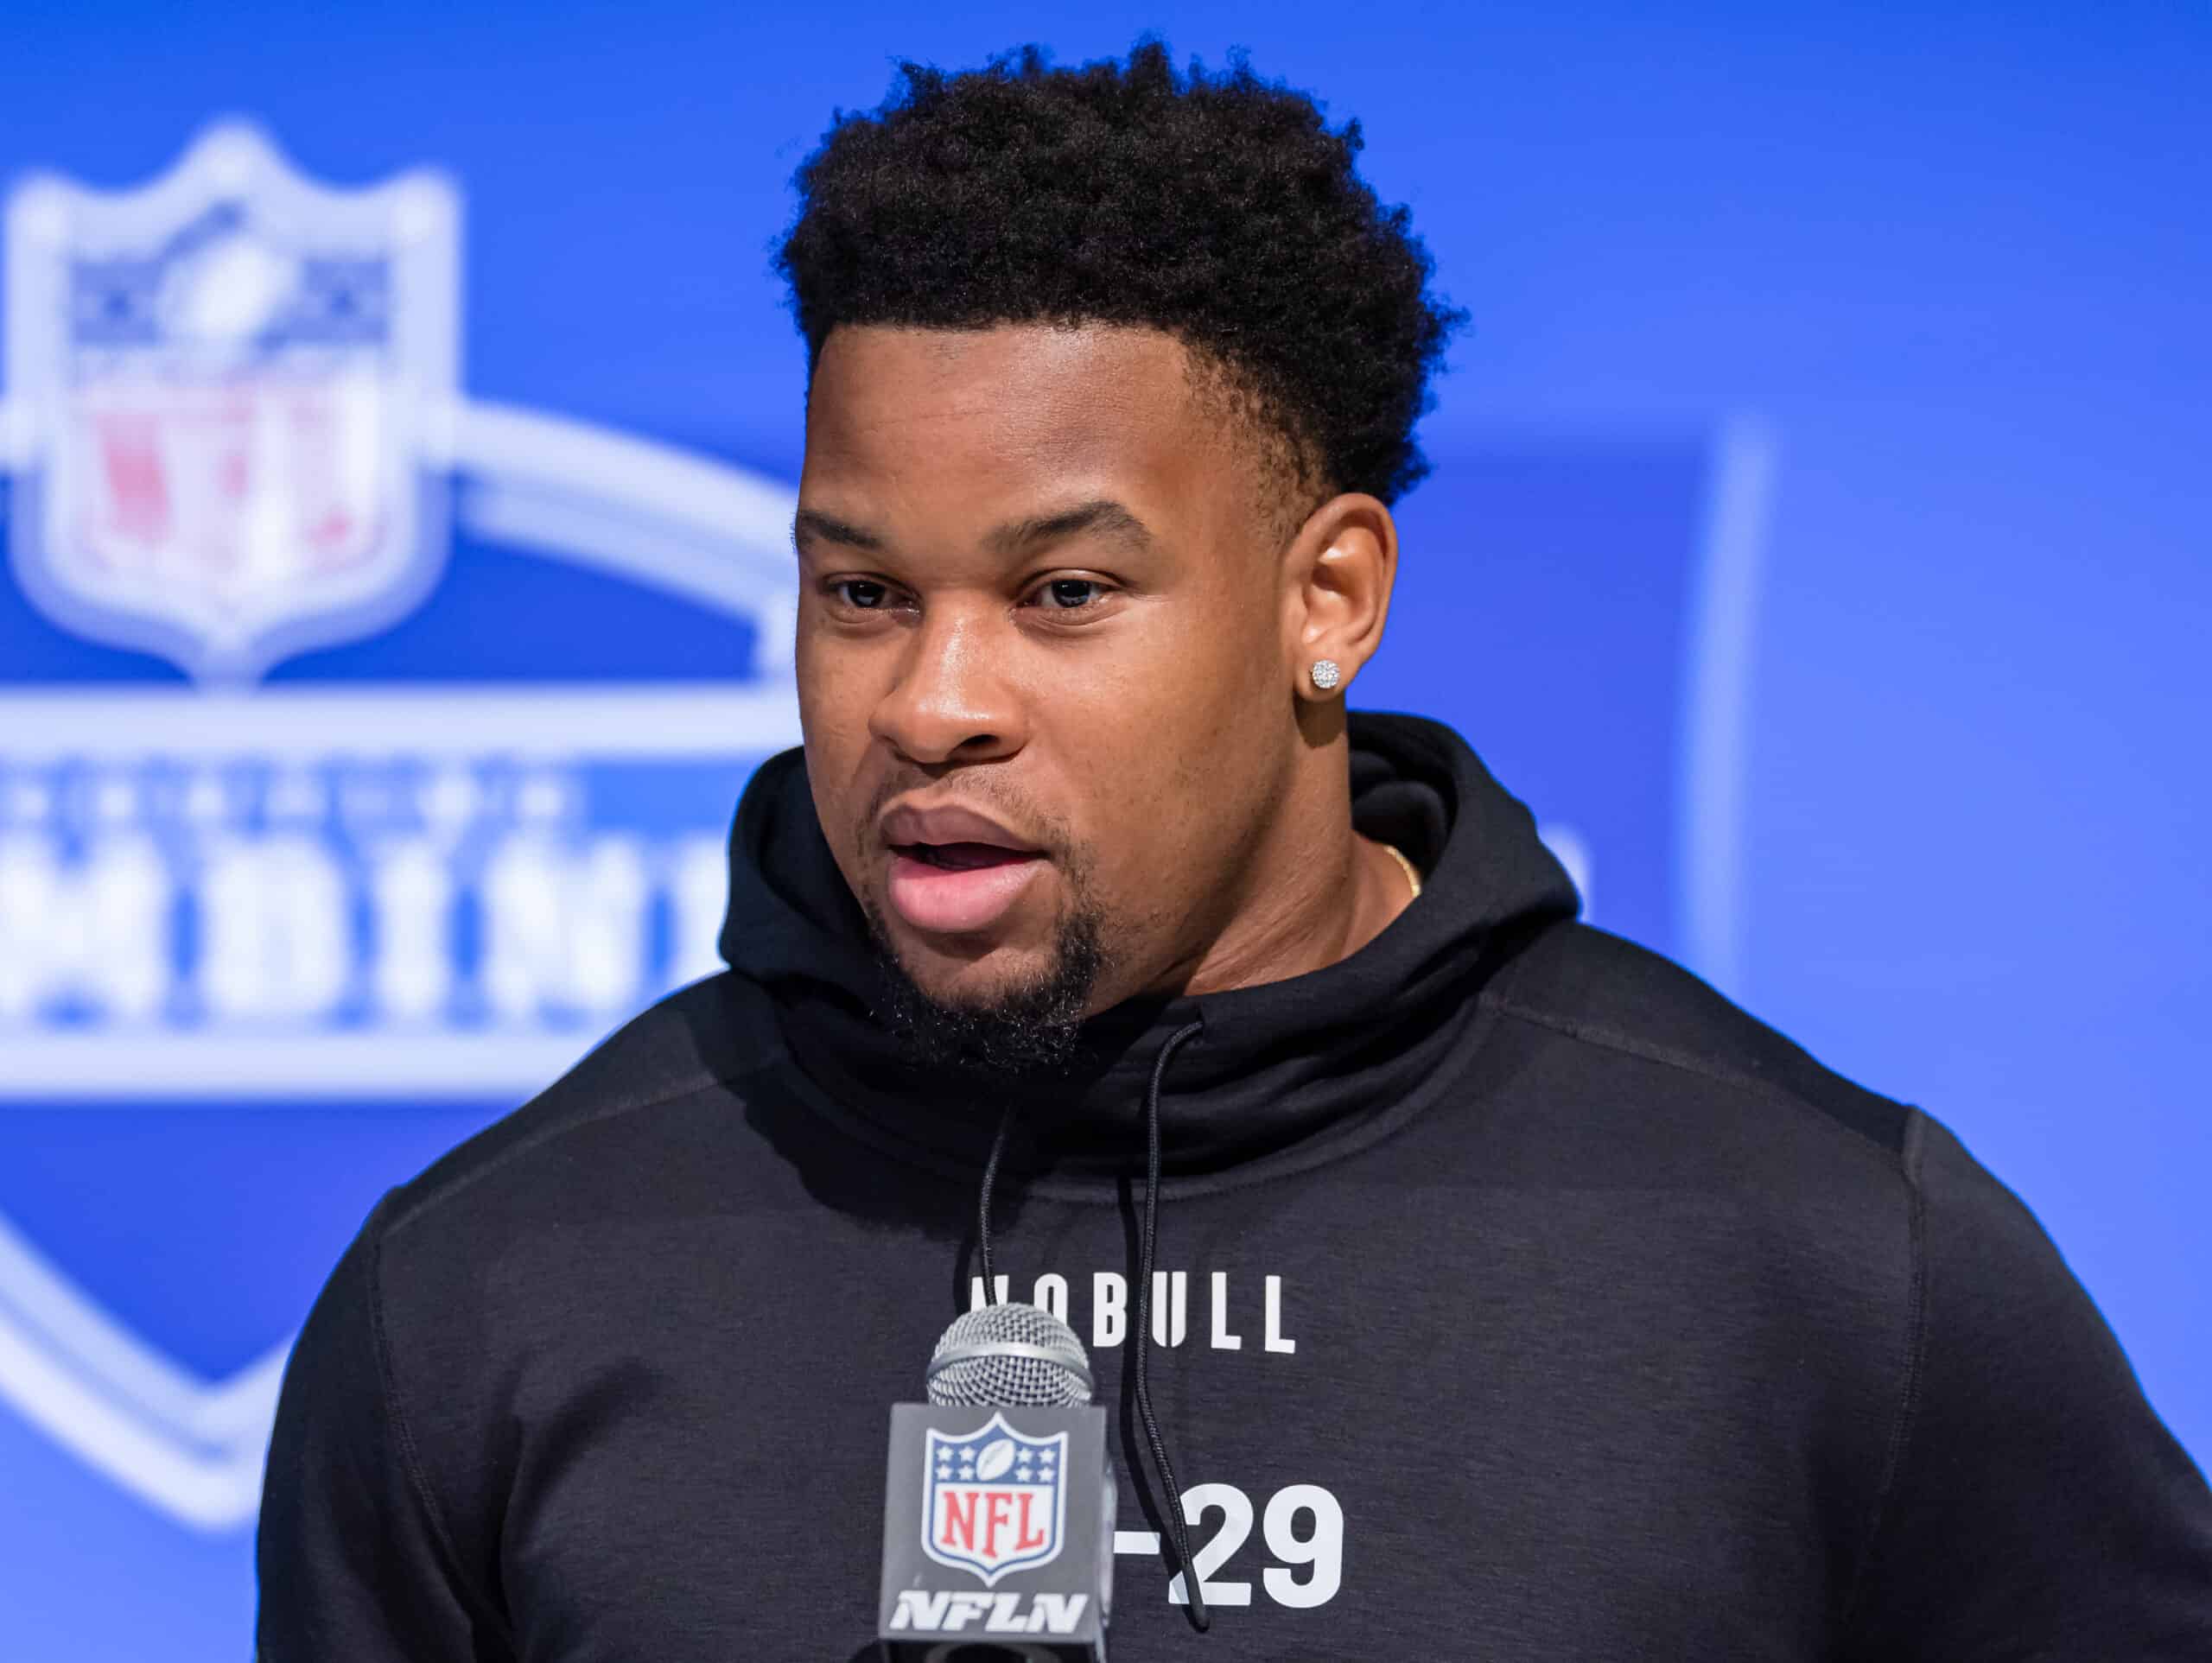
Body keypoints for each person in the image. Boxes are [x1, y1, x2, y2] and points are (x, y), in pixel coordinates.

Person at [256, 41, 2212, 1660]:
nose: (930, 700)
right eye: (860, 591)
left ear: (1328, 599)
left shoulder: (1821, 1260)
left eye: (1066, 592)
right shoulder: (486, 1291)